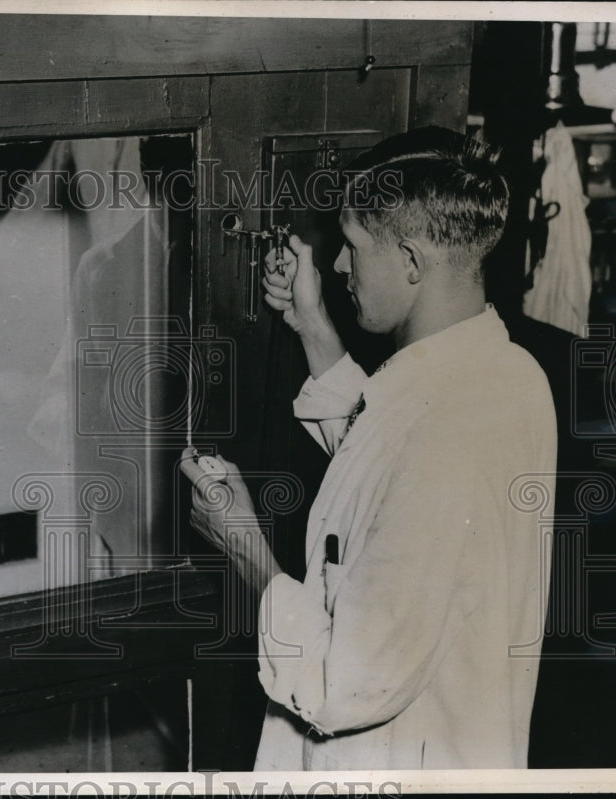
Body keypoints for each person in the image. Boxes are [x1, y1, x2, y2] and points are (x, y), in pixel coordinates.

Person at [184, 128, 558, 769]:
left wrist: (242, 542)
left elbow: (337, 683)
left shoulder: (448, 444)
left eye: (353, 247)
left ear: (412, 262)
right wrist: (313, 327)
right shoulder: (507, 372)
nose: (336, 267)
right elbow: (389, 452)